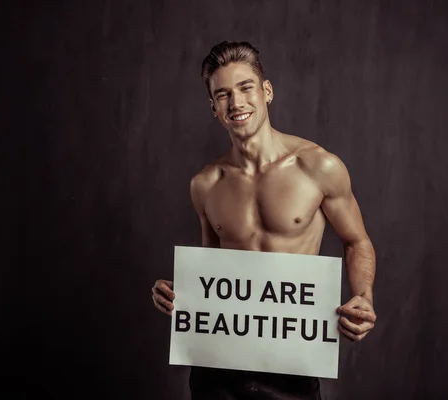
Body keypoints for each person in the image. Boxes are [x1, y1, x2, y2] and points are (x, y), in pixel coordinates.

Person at [151, 41, 377, 400]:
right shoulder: (206, 184)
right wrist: (180, 294)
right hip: (218, 369)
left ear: (266, 91)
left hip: (291, 364)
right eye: (223, 94)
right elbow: (214, 268)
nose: (236, 103)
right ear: (214, 108)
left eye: (245, 88)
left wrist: (363, 296)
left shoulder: (317, 167)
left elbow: (357, 241)